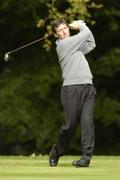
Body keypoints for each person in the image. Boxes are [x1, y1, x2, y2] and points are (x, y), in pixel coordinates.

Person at [49, 19, 96, 167]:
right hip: (71, 89)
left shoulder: (75, 45)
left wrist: (83, 27)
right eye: (60, 30)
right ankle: (56, 151)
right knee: (69, 126)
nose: (64, 31)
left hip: (88, 87)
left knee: (87, 124)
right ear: (56, 35)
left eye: (65, 28)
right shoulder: (63, 45)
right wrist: (82, 25)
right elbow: (85, 33)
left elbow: (91, 43)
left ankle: (86, 158)